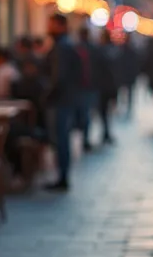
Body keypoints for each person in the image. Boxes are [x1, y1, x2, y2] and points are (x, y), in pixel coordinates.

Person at [43, 13, 83, 191]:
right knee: (60, 139)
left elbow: (59, 77)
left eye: (51, 24)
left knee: (60, 139)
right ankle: (61, 175)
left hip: (60, 100)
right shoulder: (64, 45)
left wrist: (47, 95)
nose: (48, 28)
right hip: (64, 98)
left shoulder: (62, 47)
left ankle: (62, 177)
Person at [91, 29, 120, 145]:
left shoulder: (99, 51)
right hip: (110, 85)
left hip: (102, 86)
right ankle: (106, 132)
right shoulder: (114, 51)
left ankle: (105, 132)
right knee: (106, 111)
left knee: (103, 111)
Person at [73, 28, 97, 151]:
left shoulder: (75, 48)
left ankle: (83, 137)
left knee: (83, 113)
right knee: (86, 113)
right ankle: (85, 138)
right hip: (87, 86)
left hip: (81, 87)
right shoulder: (92, 49)